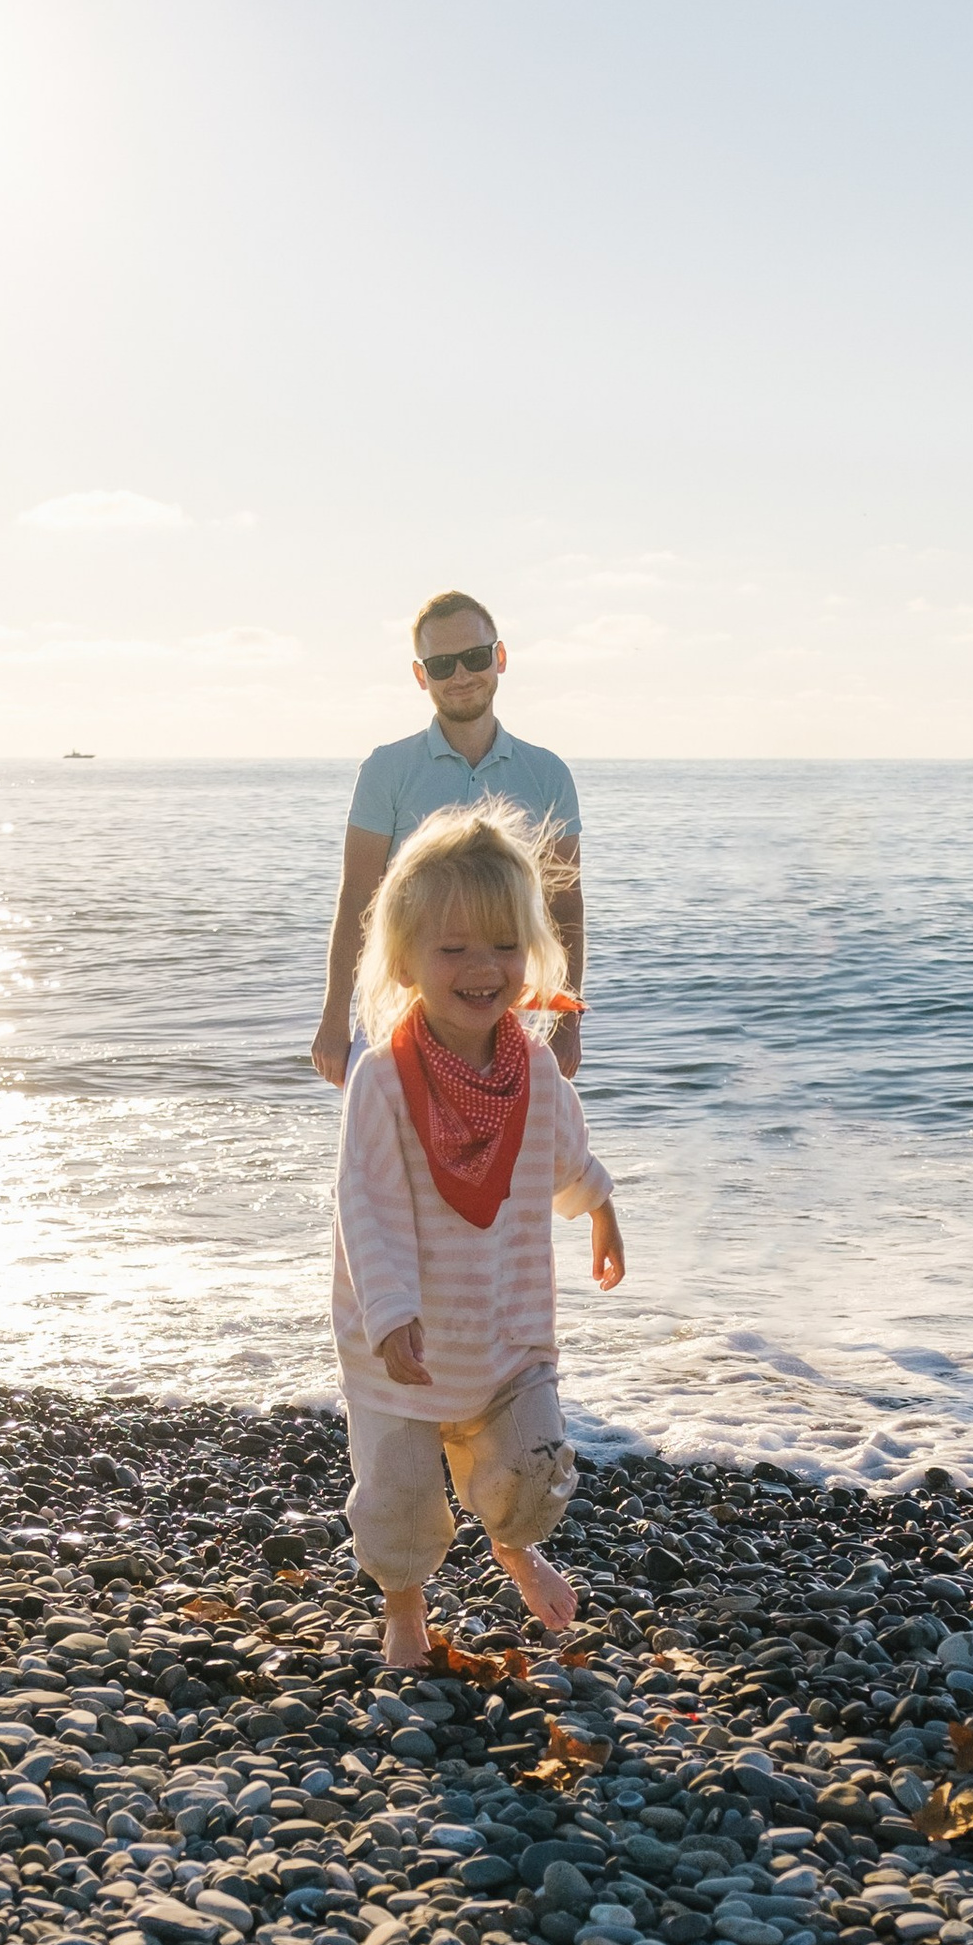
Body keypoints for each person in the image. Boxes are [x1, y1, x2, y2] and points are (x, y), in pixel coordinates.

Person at [332, 800, 623, 1670]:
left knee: (533, 1465)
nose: (481, 967)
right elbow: (365, 1206)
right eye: (452, 948)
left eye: (502, 945)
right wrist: (389, 1310)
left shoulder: (533, 1066)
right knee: (403, 1495)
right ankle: (406, 1610)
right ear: (407, 960)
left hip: (504, 1323)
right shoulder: (382, 1081)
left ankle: (512, 1545)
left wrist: (600, 1207)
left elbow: (569, 1154)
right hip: (403, 1339)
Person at [316, 587, 584, 1086]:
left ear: (499, 658)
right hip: (399, 1013)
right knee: (388, 1158)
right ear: (421, 675)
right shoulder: (385, 770)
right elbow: (357, 897)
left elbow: (565, 905)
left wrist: (568, 1022)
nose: (460, 675)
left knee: (511, 1161)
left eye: (474, 657)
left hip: (506, 1011)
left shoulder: (548, 774)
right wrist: (333, 1017)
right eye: (441, 665)